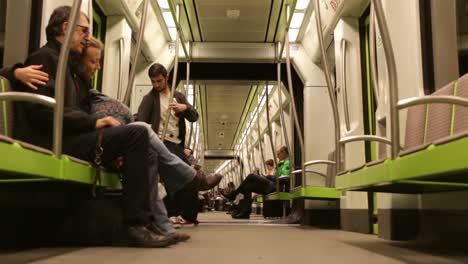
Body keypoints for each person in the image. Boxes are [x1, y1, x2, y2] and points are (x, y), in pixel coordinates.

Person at [13, 6, 175, 248]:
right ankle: (135, 225)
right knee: (137, 134)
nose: (87, 37)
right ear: (66, 29)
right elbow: (42, 112)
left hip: (70, 135)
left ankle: (151, 222)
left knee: (139, 139)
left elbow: (76, 106)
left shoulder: (69, 65)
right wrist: (94, 122)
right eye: (84, 31)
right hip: (53, 139)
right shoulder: (45, 58)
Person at [138, 63, 218, 226]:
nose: (156, 85)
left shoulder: (178, 97)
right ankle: (176, 212)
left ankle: (188, 216)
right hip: (160, 142)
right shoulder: (149, 99)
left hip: (178, 144)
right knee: (176, 177)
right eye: (153, 82)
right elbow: (141, 122)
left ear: (167, 77)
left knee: (184, 178)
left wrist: (184, 108)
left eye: (159, 81)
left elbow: (194, 116)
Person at [224, 146, 290, 219]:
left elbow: (284, 177)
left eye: (278, 153)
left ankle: (234, 195)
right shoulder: (280, 164)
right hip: (272, 184)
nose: (277, 155)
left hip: (277, 186)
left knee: (251, 176)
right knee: (248, 187)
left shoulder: (287, 162)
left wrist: (269, 176)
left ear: (284, 152)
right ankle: (245, 212)